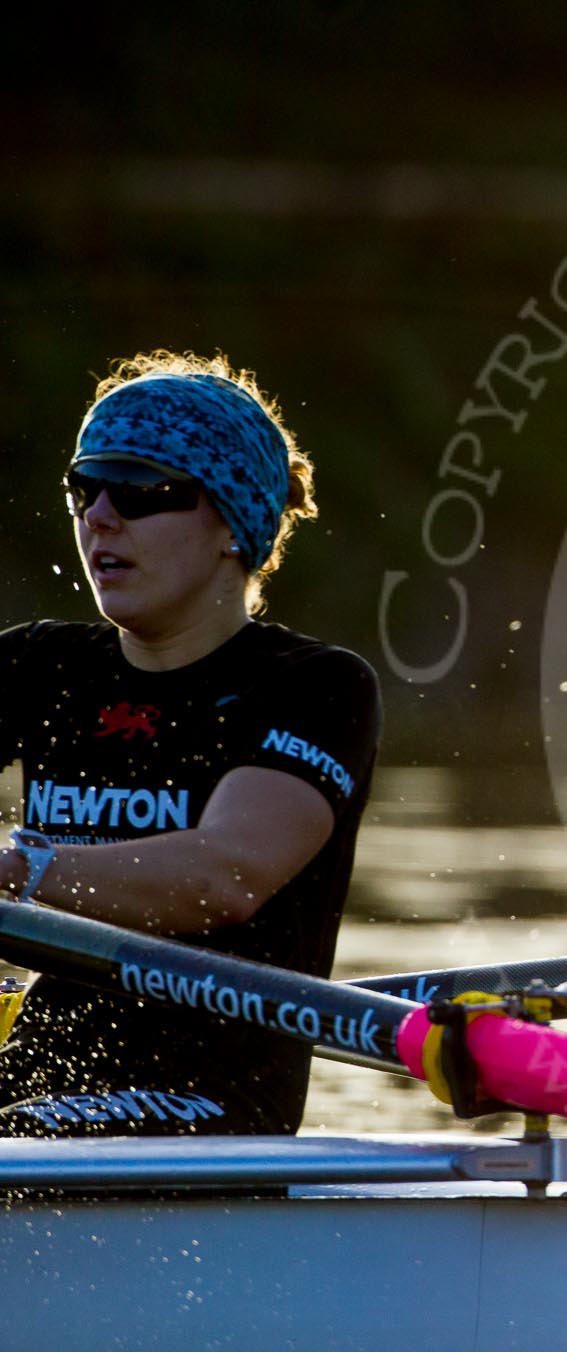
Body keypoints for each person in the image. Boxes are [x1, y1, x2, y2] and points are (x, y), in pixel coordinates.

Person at [0, 351, 381, 1137]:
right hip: (34, 1080)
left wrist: (19, 868)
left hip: (212, 1105)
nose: (99, 516)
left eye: (140, 491)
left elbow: (225, 876)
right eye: (85, 488)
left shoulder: (314, 687)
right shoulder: (39, 666)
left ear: (229, 528)